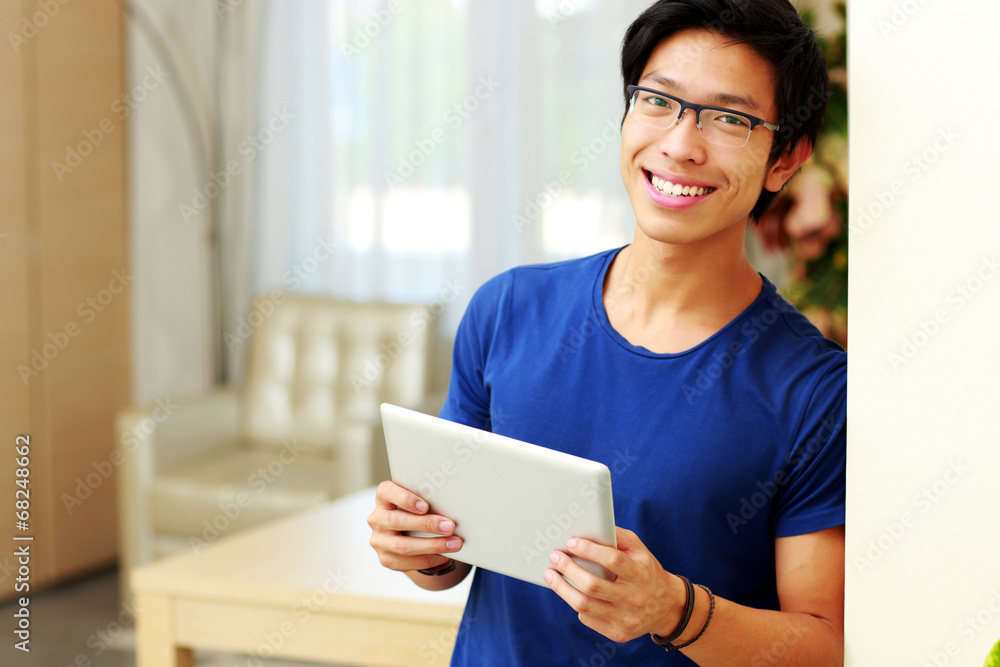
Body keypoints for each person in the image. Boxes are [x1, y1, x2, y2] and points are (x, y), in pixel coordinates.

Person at [367, 0, 846, 664]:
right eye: (659, 101)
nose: (679, 144)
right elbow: (455, 555)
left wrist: (675, 612)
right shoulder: (508, 311)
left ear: (785, 159)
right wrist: (420, 548)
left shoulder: (815, 391)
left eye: (730, 118)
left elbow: (825, 645)